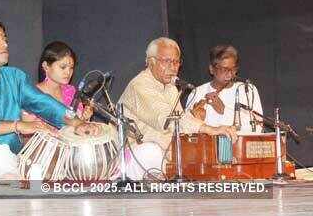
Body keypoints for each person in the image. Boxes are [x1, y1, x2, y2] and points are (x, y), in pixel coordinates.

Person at [0, 17, 98, 188]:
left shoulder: (15, 78)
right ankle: (19, 186)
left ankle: (19, 184)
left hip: (7, 162)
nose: (4, 44)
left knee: (31, 165)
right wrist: (17, 125)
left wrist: (77, 122)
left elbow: (43, 102)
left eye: (5, 39)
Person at [119, 37, 237, 180]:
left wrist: (195, 120)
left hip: (165, 151)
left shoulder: (170, 87)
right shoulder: (140, 85)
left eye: (176, 62)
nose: (173, 67)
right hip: (136, 153)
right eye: (167, 61)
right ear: (151, 62)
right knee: (152, 152)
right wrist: (209, 129)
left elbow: (179, 123)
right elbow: (167, 118)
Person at [186, 44, 263, 133]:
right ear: (211, 69)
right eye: (224, 69)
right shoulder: (197, 92)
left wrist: (223, 111)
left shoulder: (247, 90)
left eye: (233, 69)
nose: (230, 74)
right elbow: (185, 129)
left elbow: (258, 127)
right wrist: (197, 120)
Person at [21, 41, 93, 132]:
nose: (68, 72)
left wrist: (84, 119)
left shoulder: (71, 91)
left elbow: (74, 130)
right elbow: (26, 138)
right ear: (45, 66)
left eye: (71, 68)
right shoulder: (32, 95)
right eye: (63, 67)